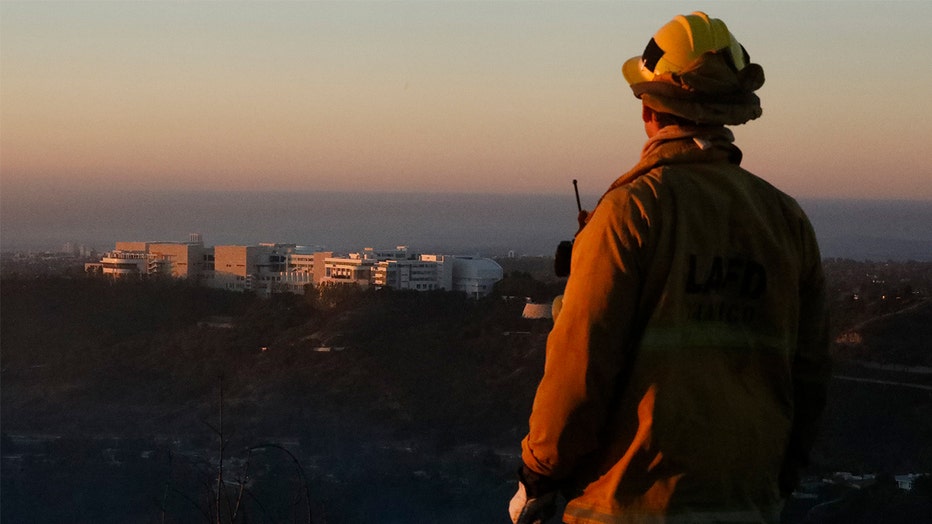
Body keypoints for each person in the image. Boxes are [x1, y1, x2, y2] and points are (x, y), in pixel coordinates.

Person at [509, 11, 831, 524]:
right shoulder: (787, 222)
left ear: (649, 109)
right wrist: (777, 480)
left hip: (626, 507)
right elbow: (811, 375)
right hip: (747, 503)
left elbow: (580, 368)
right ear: (729, 112)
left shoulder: (630, 212)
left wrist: (539, 473)